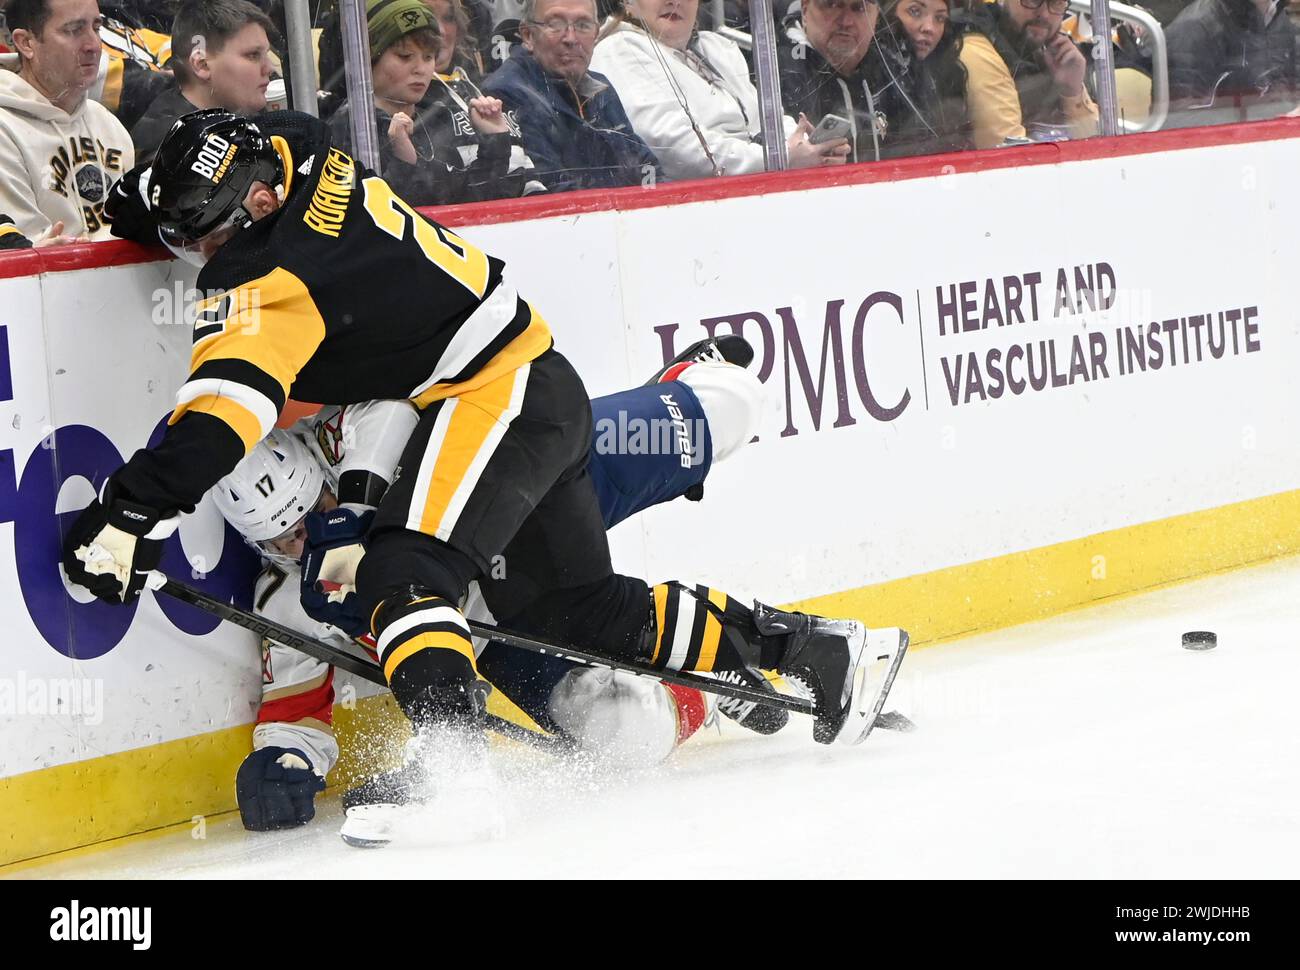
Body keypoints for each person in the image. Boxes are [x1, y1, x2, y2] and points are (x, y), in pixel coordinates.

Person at [63, 107, 906, 841]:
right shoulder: (300, 153)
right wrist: (149, 204)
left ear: (256, 207)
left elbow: (218, 420)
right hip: (535, 381)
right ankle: (820, 649)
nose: (200, 255)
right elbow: (228, 159)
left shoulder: (265, 277)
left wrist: (124, 515)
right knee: (573, 609)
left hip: (491, 398)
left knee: (402, 571)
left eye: (207, 235)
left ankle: (455, 775)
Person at [224, 348, 782, 830]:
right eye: (285, 537)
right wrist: (284, 762)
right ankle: (705, 685)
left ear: (323, 474)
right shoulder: (286, 596)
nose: (303, 542)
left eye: (311, 514)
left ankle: (676, 382)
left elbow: (391, 414)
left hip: (524, 498)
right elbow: (294, 711)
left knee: (731, 403)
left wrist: (353, 511)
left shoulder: (341, 435)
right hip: (502, 630)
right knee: (625, 734)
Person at [591, 0, 849, 179]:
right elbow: (675, 148)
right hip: (695, 209)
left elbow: (768, 120)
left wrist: (811, 148)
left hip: (756, 190)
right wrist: (779, 159)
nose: (674, 2)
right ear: (628, 3)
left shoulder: (718, 49)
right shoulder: (620, 49)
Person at [327, 0, 541, 206]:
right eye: (405, 56)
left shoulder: (432, 120)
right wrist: (404, 163)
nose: (421, 69)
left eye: (428, 57)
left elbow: (466, 202)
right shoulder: (349, 131)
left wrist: (494, 141)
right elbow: (376, 217)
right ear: (367, 58)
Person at [481, 0, 666, 192]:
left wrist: (655, 202)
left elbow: (646, 165)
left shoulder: (600, 87)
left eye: (583, 25)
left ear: (596, 34)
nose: (571, 38)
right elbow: (553, 191)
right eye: (555, 24)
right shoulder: (507, 92)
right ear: (528, 35)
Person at [0, 0, 134, 239]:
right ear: (26, 43)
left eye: (96, 27)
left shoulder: (107, 123)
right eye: (74, 30)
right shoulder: (4, 127)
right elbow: (21, 255)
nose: (93, 45)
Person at [776, 0, 945, 163]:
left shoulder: (892, 69)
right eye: (833, 4)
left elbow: (922, 147)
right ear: (805, 9)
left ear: (876, 17)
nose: (846, 21)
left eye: (859, 8)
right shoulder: (776, 70)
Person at [129, 0, 277, 164]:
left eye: (266, 55)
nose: (269, 68)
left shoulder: (231, 123)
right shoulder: (170, 151)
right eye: (253, 55)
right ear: (202, 65)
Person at [955, 0, 1098, 149]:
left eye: (1057, 3)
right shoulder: (977, 50)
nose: (1044, 14)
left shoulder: (1044, 53)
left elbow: (1098, 146)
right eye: (1033, 0)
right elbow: (1012, 155)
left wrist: (1072, 90)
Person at [1165, 0, 1298, 123]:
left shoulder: (1278, 18)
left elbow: (1289, 87)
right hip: (1228, 142)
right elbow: (1181, 120)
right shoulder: (1194, 29)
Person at [883, 0, 971, 153]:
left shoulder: (948, 75)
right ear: (889, 12)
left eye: (940, 18)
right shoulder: (874, 79)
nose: (929, 28)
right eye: (915, 11)